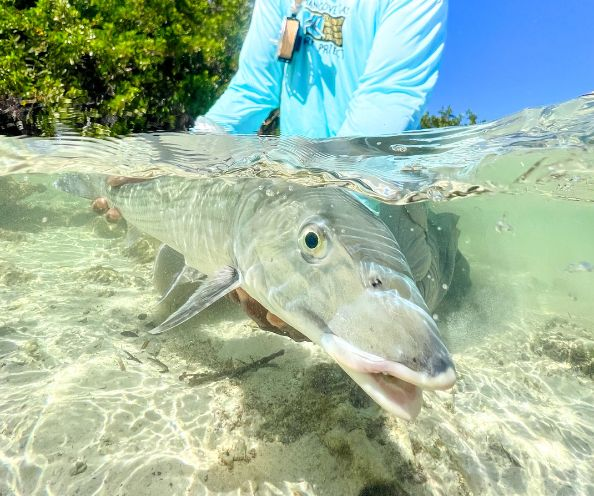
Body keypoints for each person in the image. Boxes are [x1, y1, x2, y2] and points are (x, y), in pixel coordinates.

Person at [96, 0, 463, 336]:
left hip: (374, 188)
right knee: (173, 292)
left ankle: (446, 245)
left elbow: (385, 98)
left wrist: (303, 248)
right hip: (292, 187)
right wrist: (177, 160)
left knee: (404, 313)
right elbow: (253, 88)